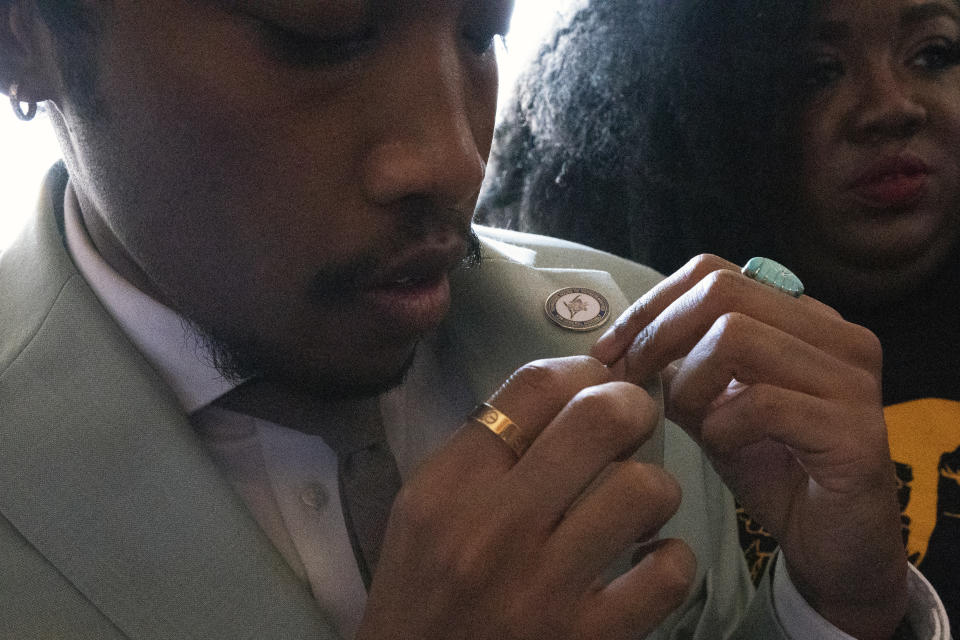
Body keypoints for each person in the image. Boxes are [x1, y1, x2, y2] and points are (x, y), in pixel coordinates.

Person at [0, 1, 945, 638]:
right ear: (26, 41)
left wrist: (842, 608)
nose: (454, 160)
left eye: (480, 33)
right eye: (321, 38)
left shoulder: (624, 328)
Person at [479, 0, 960, 632]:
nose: (891, 106)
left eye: (933, 53)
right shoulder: (638, 399)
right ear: (696, 112)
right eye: (816, 73)